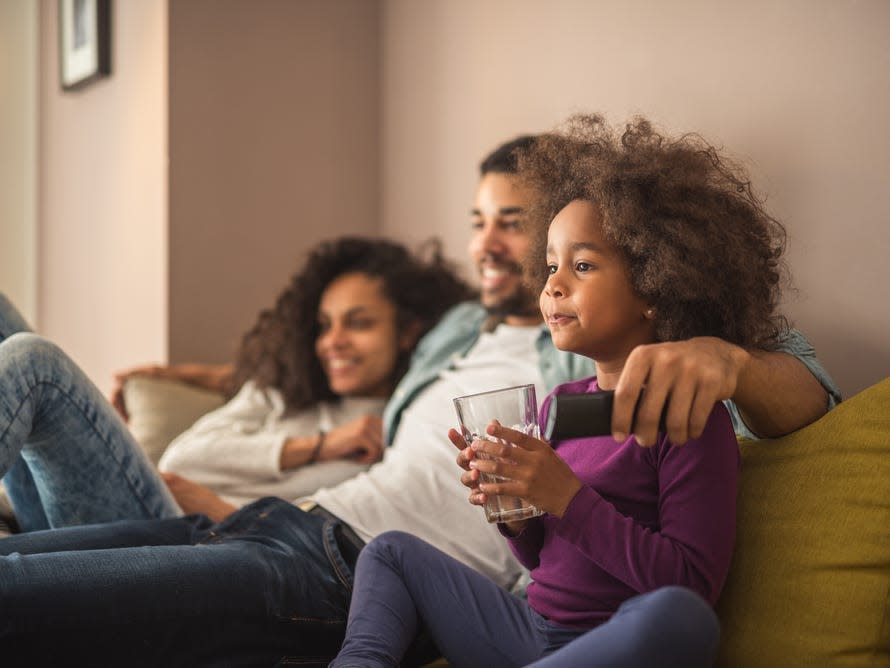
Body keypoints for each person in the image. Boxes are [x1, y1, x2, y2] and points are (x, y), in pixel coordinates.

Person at [0, 124, 839, 664]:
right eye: (485, 222)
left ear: (656, 273)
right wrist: (190, 375)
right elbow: (319, 358)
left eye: (515, 221)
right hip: (268, 524)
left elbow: (793, 382)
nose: (493, 245)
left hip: (324, 570)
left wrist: (722, 358)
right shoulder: (455, 332)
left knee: (28, 364)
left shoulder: (653, 378)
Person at [329, 114, 784, 667]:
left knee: (680, 617)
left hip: (612, 640)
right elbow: (544, 561)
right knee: (389, 552)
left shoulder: (689, 417)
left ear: (656, 285)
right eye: (549, 265)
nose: (551, 285)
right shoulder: (558, 404)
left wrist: (566, 496)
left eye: (582, 265)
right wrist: (517, 515)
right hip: (532, 632)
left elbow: (689, 582)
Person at [0, 236, 474, 531]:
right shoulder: (285, 392)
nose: (334, 342)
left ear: (408, 331)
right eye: (324, 326)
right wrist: (321, 445)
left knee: (34, 360)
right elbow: (184, 456)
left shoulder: (398, 427)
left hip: (182, 537)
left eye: (359, 324)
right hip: (138, 503)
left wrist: (222, 506)